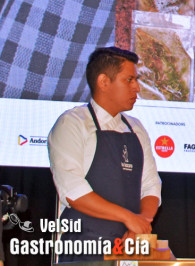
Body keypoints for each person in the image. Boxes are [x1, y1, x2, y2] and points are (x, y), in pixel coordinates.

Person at [48, 47, 162, 262]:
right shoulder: (73, 123)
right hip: (86, 247)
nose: (137, 88)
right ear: (103, 82)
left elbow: (151, 185)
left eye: (136, 80)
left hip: (131, 247)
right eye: (129, 80)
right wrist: (128, 218)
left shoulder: (136, 128)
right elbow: (73, 190)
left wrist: (141, 223)